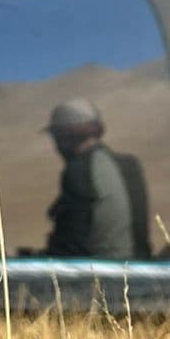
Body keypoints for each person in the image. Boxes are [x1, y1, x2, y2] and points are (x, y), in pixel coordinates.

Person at [43, 98, 151, 260]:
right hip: (141, 272)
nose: (56, 146)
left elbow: (73, 245)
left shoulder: (77, 172)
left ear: (66, 136)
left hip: (103, 278)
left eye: (57, 137)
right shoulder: (130, 165)